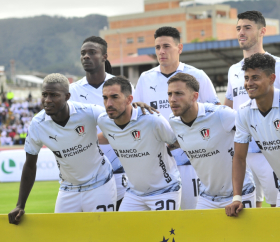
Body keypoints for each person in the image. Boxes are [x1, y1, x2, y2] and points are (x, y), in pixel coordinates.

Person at [8, 74, 116, 225]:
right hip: (68, 189)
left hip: (100, 184)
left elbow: (118, 118)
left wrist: (136, 107)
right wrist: (20, 205)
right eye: (44, 95)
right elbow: (30, 165)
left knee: (101, 235)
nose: (47, 100)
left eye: (54, 95)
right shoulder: (37, 124)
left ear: (67, 96)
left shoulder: (88, 112)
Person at [133, 26, 220, 210]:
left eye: (166, 46)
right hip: (159, 166)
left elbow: (215, 114)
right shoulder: (145, 78)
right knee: (167, 227)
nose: (161, 52)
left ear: (179, 48)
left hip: (192, 163)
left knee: (193, 220)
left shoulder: (197, 75)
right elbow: (138, 119)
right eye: (157, 47)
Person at [225, 53, 280, 217]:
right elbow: (238, 157)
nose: (249, 84)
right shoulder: (244, 112)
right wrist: (237, 198)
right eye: (246, 78)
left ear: (272, 78)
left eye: (255, 78)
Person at [225, 11, 280, 208]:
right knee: (250, 209)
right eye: (238, 28)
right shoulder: (234, 69)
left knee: (279, 206)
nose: (241, 32)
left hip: (272, 151)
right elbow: (228, 105)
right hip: (243, 152)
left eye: (247, 28)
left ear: (262, 31)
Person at [167, 73, 256, 209]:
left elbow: (253, 127)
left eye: (179, 93)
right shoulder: (174, 122)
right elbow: (179, 141)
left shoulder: (220, 115)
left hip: (240, 193)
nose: (172, 99)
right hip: (207, 197)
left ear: (195, 96)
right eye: (170, 94)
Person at [97, 76, 181, 211]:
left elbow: (177, 141)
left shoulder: (152, 120)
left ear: (129, 99)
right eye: (105, 98)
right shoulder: (104, 121)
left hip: (165, 190)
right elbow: (109, 136)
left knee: (165, 232)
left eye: (114, 97)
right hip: (134, 193)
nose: (108, 103)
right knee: (124, 231)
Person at [69, 36, 128, 209]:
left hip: (120, 171)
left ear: (104, 56)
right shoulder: (71, 91)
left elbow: (129, 125)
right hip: (87, 175)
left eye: (92, 52)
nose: (86, 56)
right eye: (83, 53)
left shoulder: (122, 86)